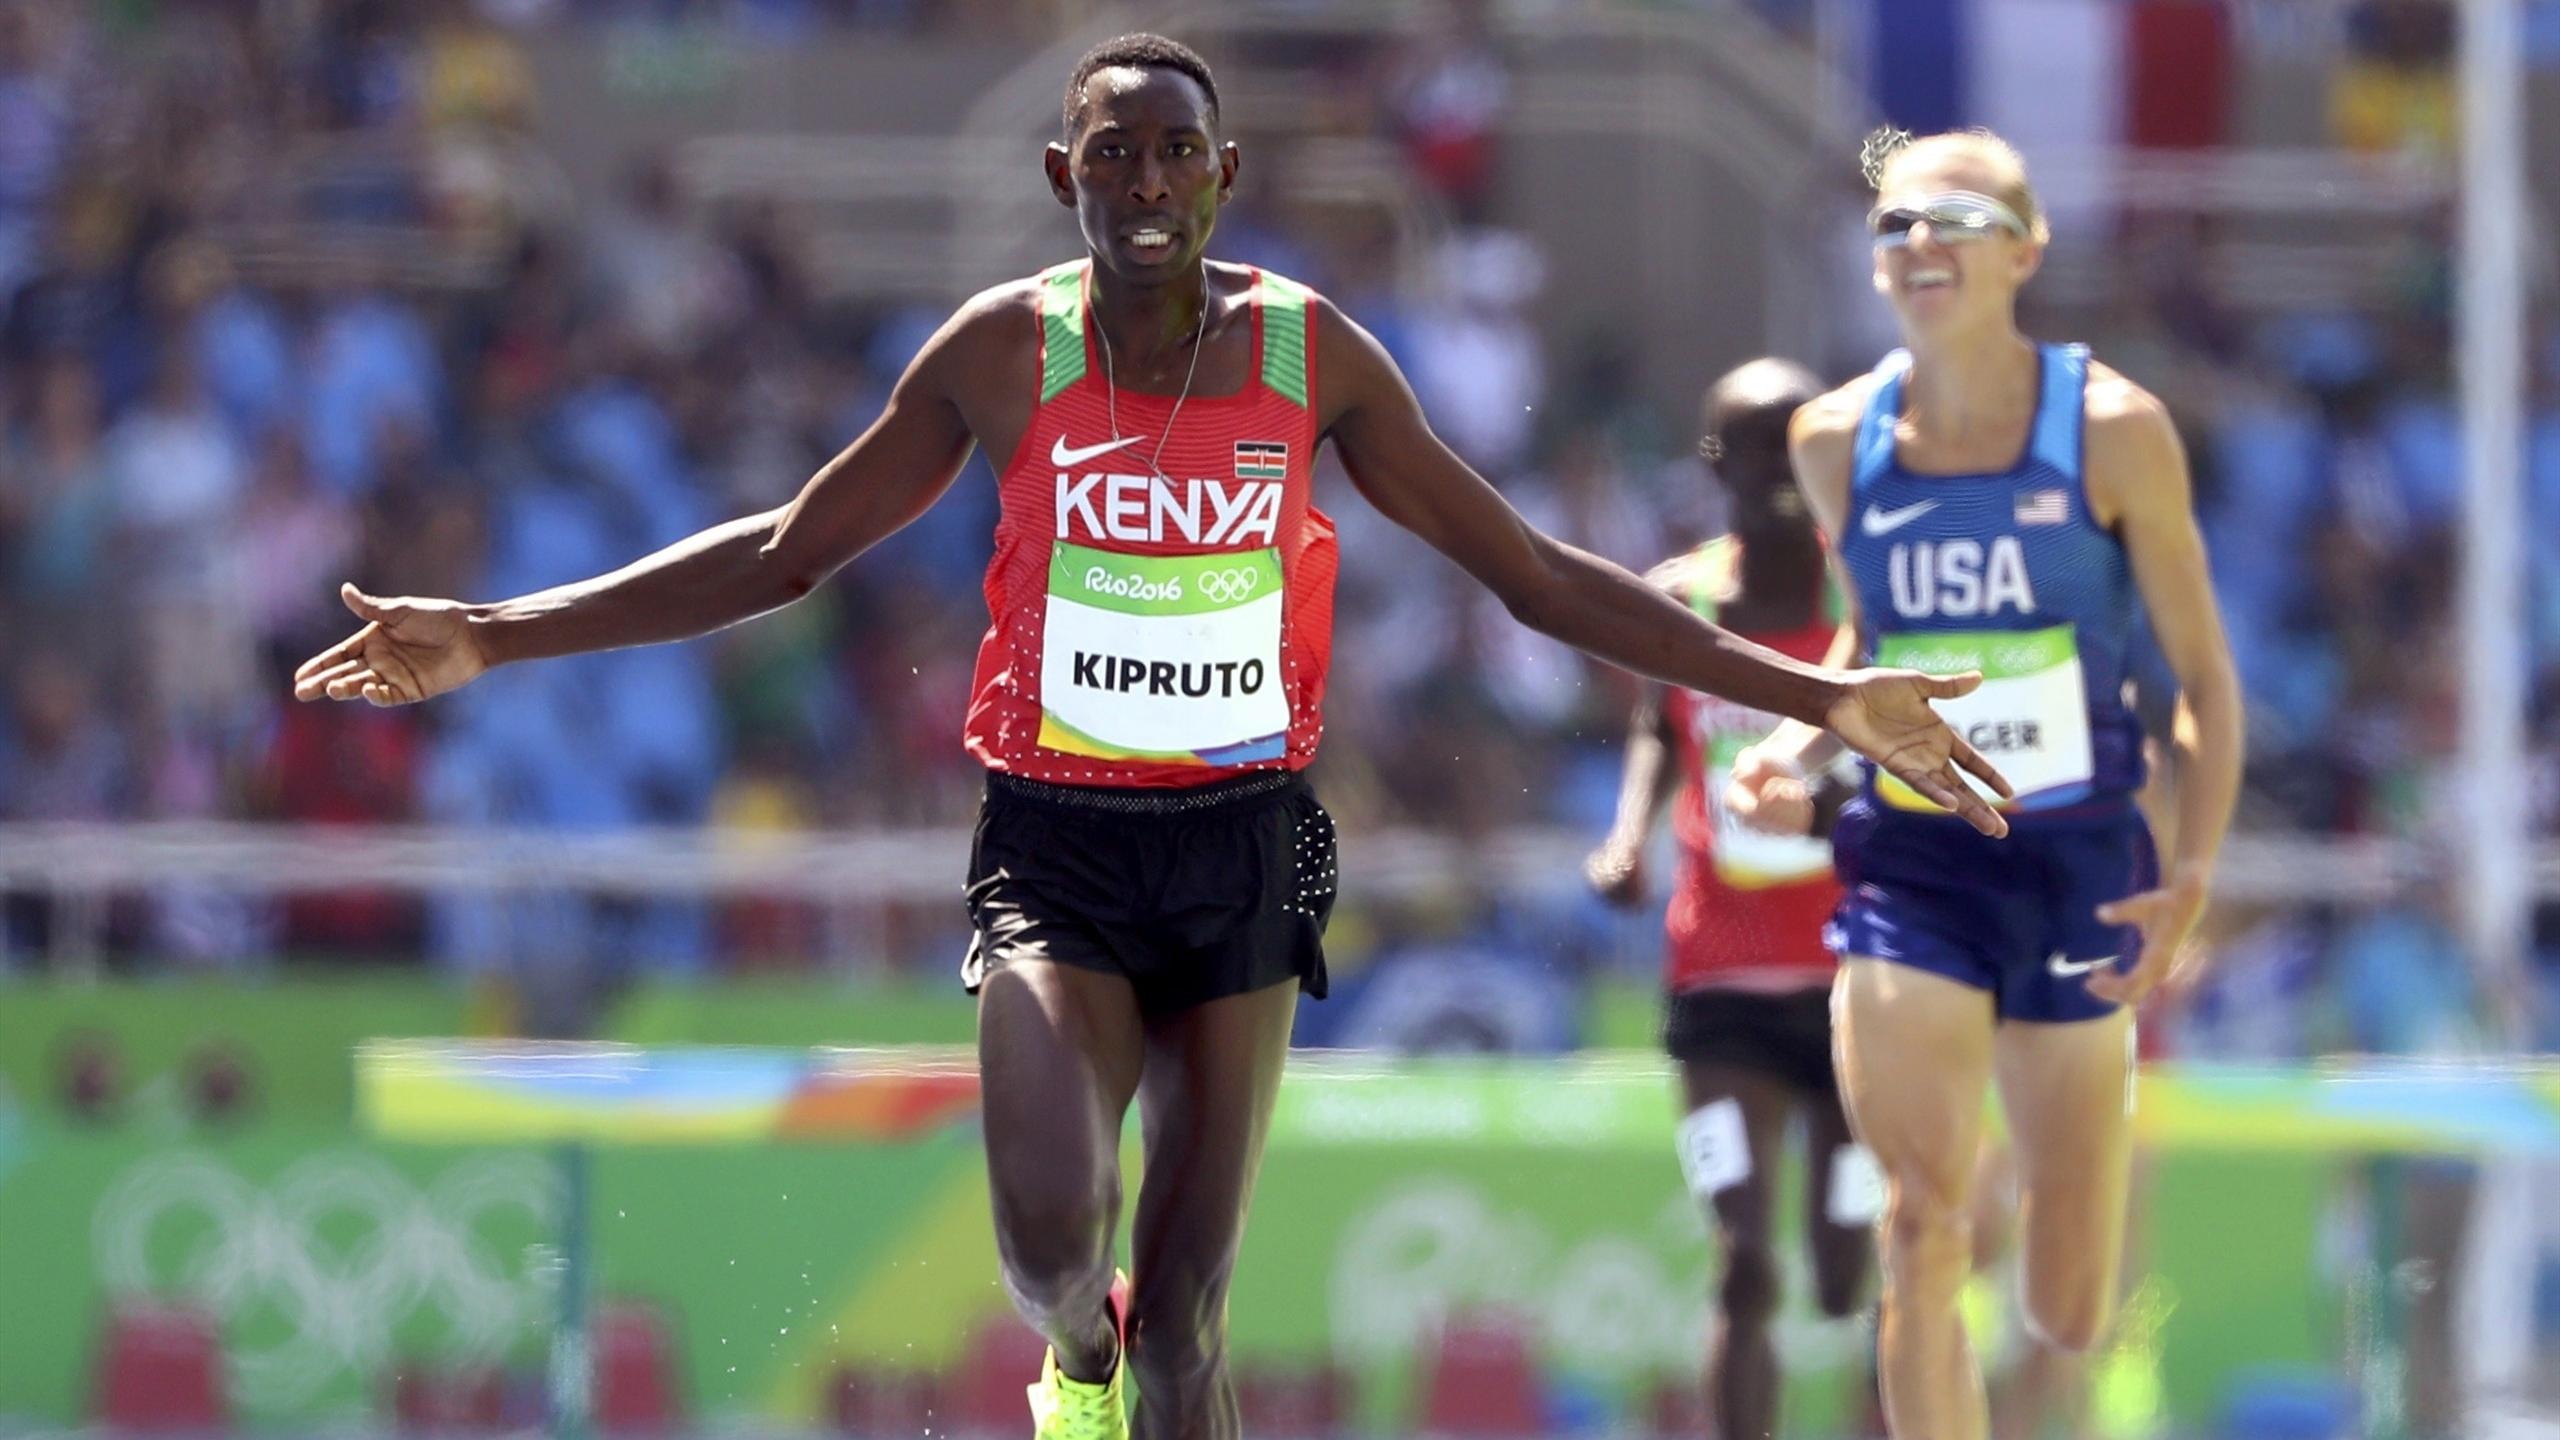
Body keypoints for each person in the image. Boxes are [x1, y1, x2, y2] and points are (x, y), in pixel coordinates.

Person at [292, 41, 2011, 1440]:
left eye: (1175, 155)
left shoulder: (1307, 353)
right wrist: (500, 632)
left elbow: (1538, 576)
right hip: (1055, 842)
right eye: (1110, 157)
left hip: (1247, 845)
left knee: (1193, 1317)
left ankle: (1137, 1373)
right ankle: (1069, 1372)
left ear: (1223, 176)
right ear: (1065, 180)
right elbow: (789, 548)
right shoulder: (1002, 353)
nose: (1144, 186)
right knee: (1056, 1243)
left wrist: (1822, 697)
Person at [1726, 127, 2242, 1440]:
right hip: (1920, 857)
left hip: (2080, 862)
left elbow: (2203, 683)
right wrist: (1802, 744)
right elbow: (1871, 650)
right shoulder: (1835, 440)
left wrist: (2189, 879)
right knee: (1918, 1221)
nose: (1918, 245)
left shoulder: (2115, 432)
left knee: (2069, 1306)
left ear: (2025, 248)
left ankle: (2058, 1246)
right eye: (1895, 224)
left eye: (1952, 219)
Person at [1583, 357, 1874, 1440]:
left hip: (1857, 981)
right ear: (1715, 463)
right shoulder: (1680, 599)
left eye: (1795, 440)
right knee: (1745, 1260)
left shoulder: (1865, 600)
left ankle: (1859, 1245)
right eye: (1750, 444)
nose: (1775, 467)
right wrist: (1627, 838)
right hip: (1719, 986)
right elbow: (1659, 728)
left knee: (1846, 1266)